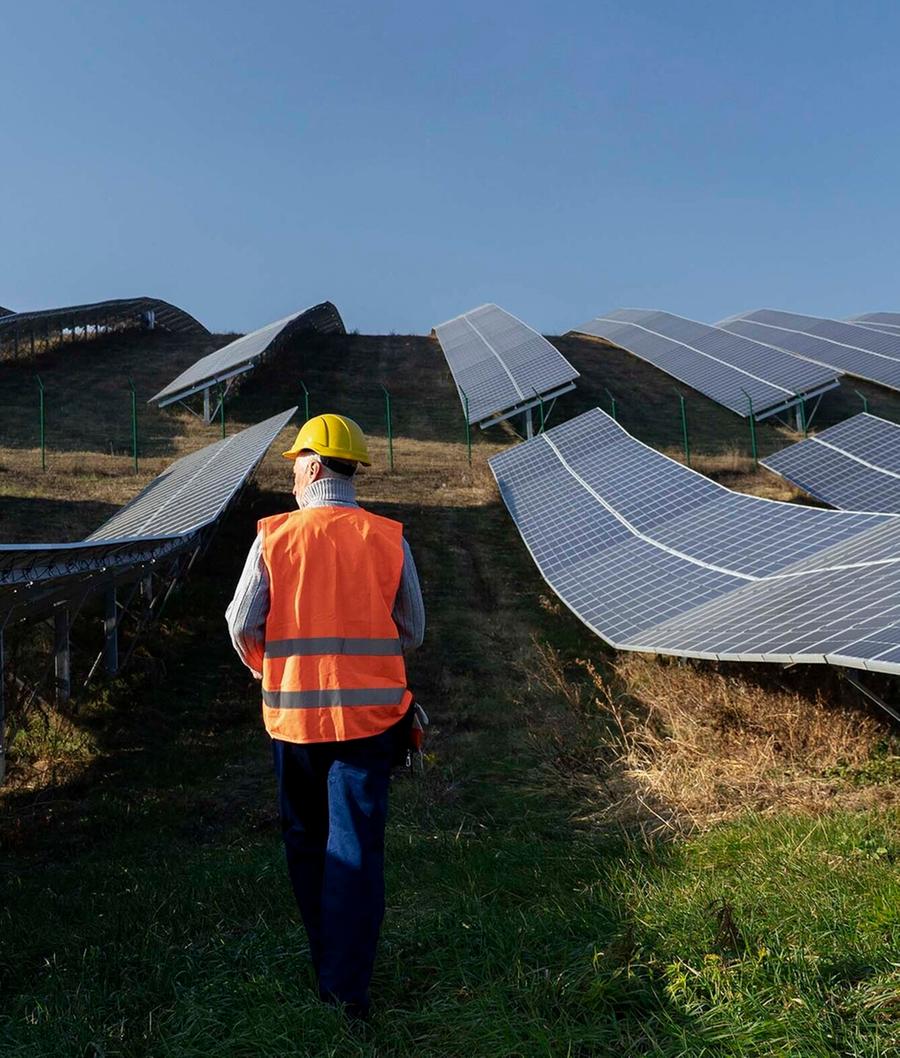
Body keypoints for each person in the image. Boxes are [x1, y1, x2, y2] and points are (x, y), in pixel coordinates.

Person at [225, 413, 425, 1019]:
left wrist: (270, 669)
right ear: (352, 469)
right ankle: (348, 990)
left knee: (308, 845)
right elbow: (412, 629)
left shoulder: (276, 537)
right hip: (371, 726)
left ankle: (326, 965)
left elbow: (240, 621)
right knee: (358, 851)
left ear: (313, 467)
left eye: (294, 466)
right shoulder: (389, 538)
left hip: (294, 725)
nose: (290, 478)